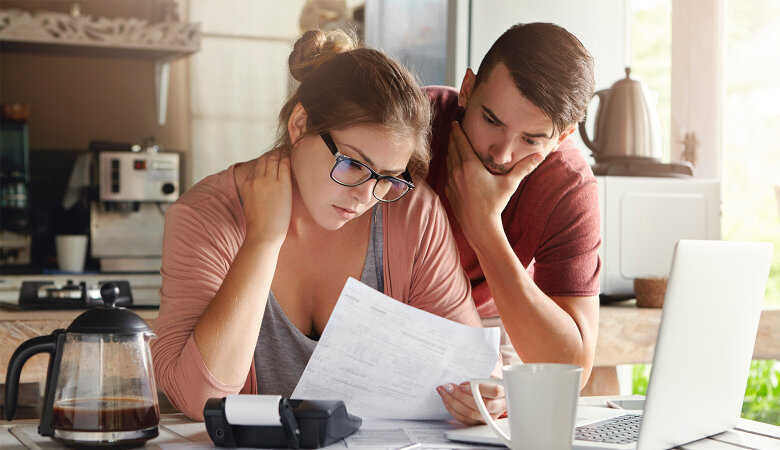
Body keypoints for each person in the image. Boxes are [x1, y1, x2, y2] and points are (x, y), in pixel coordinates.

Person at [150, 29, 504, 423]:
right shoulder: (205, 216)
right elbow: (200, 398)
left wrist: (487, 395)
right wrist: (264, 240)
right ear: (300, 125)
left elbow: (472, 369)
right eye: (352, 163)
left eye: (387, 177)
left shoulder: (412, 212)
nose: (366, 195)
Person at [428, 23, 601, 424]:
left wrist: (485, 229)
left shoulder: (568, 185)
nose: (503, 154)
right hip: (385, 303)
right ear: (468, 89)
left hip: (493, 318)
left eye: (532, 139)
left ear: (563, 136)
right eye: (491, 120)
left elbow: (571, 371)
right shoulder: (412, 123)